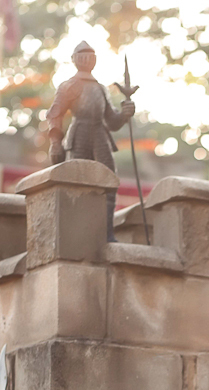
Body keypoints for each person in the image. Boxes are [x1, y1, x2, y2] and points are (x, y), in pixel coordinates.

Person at [46, 41, 135, 241]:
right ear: (74, 59)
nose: (86, 59)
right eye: (82, 55)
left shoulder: (101, 88)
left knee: (109, 179)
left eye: (90, 55)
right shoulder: (69, 85)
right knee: (77, 179)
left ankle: (106, 231)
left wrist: (125, 114)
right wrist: (55, 142)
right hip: (80, 134)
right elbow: (55, 114)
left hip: (100, 134)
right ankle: (75, 229)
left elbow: (111, 121)